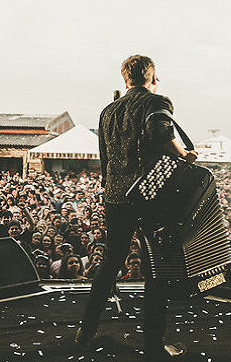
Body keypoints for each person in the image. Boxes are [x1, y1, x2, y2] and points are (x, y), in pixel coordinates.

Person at [77, 55, 197, 361]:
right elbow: (163, 136)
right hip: (149, 196)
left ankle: (86, 329)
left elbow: (104, 154)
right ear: (152, 77)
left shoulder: (108, 110)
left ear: (125, 79)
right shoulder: (156, 101)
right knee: (157, 269)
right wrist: (185, 154)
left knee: (110, 262)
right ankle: (154, 344)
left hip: (115, 196)